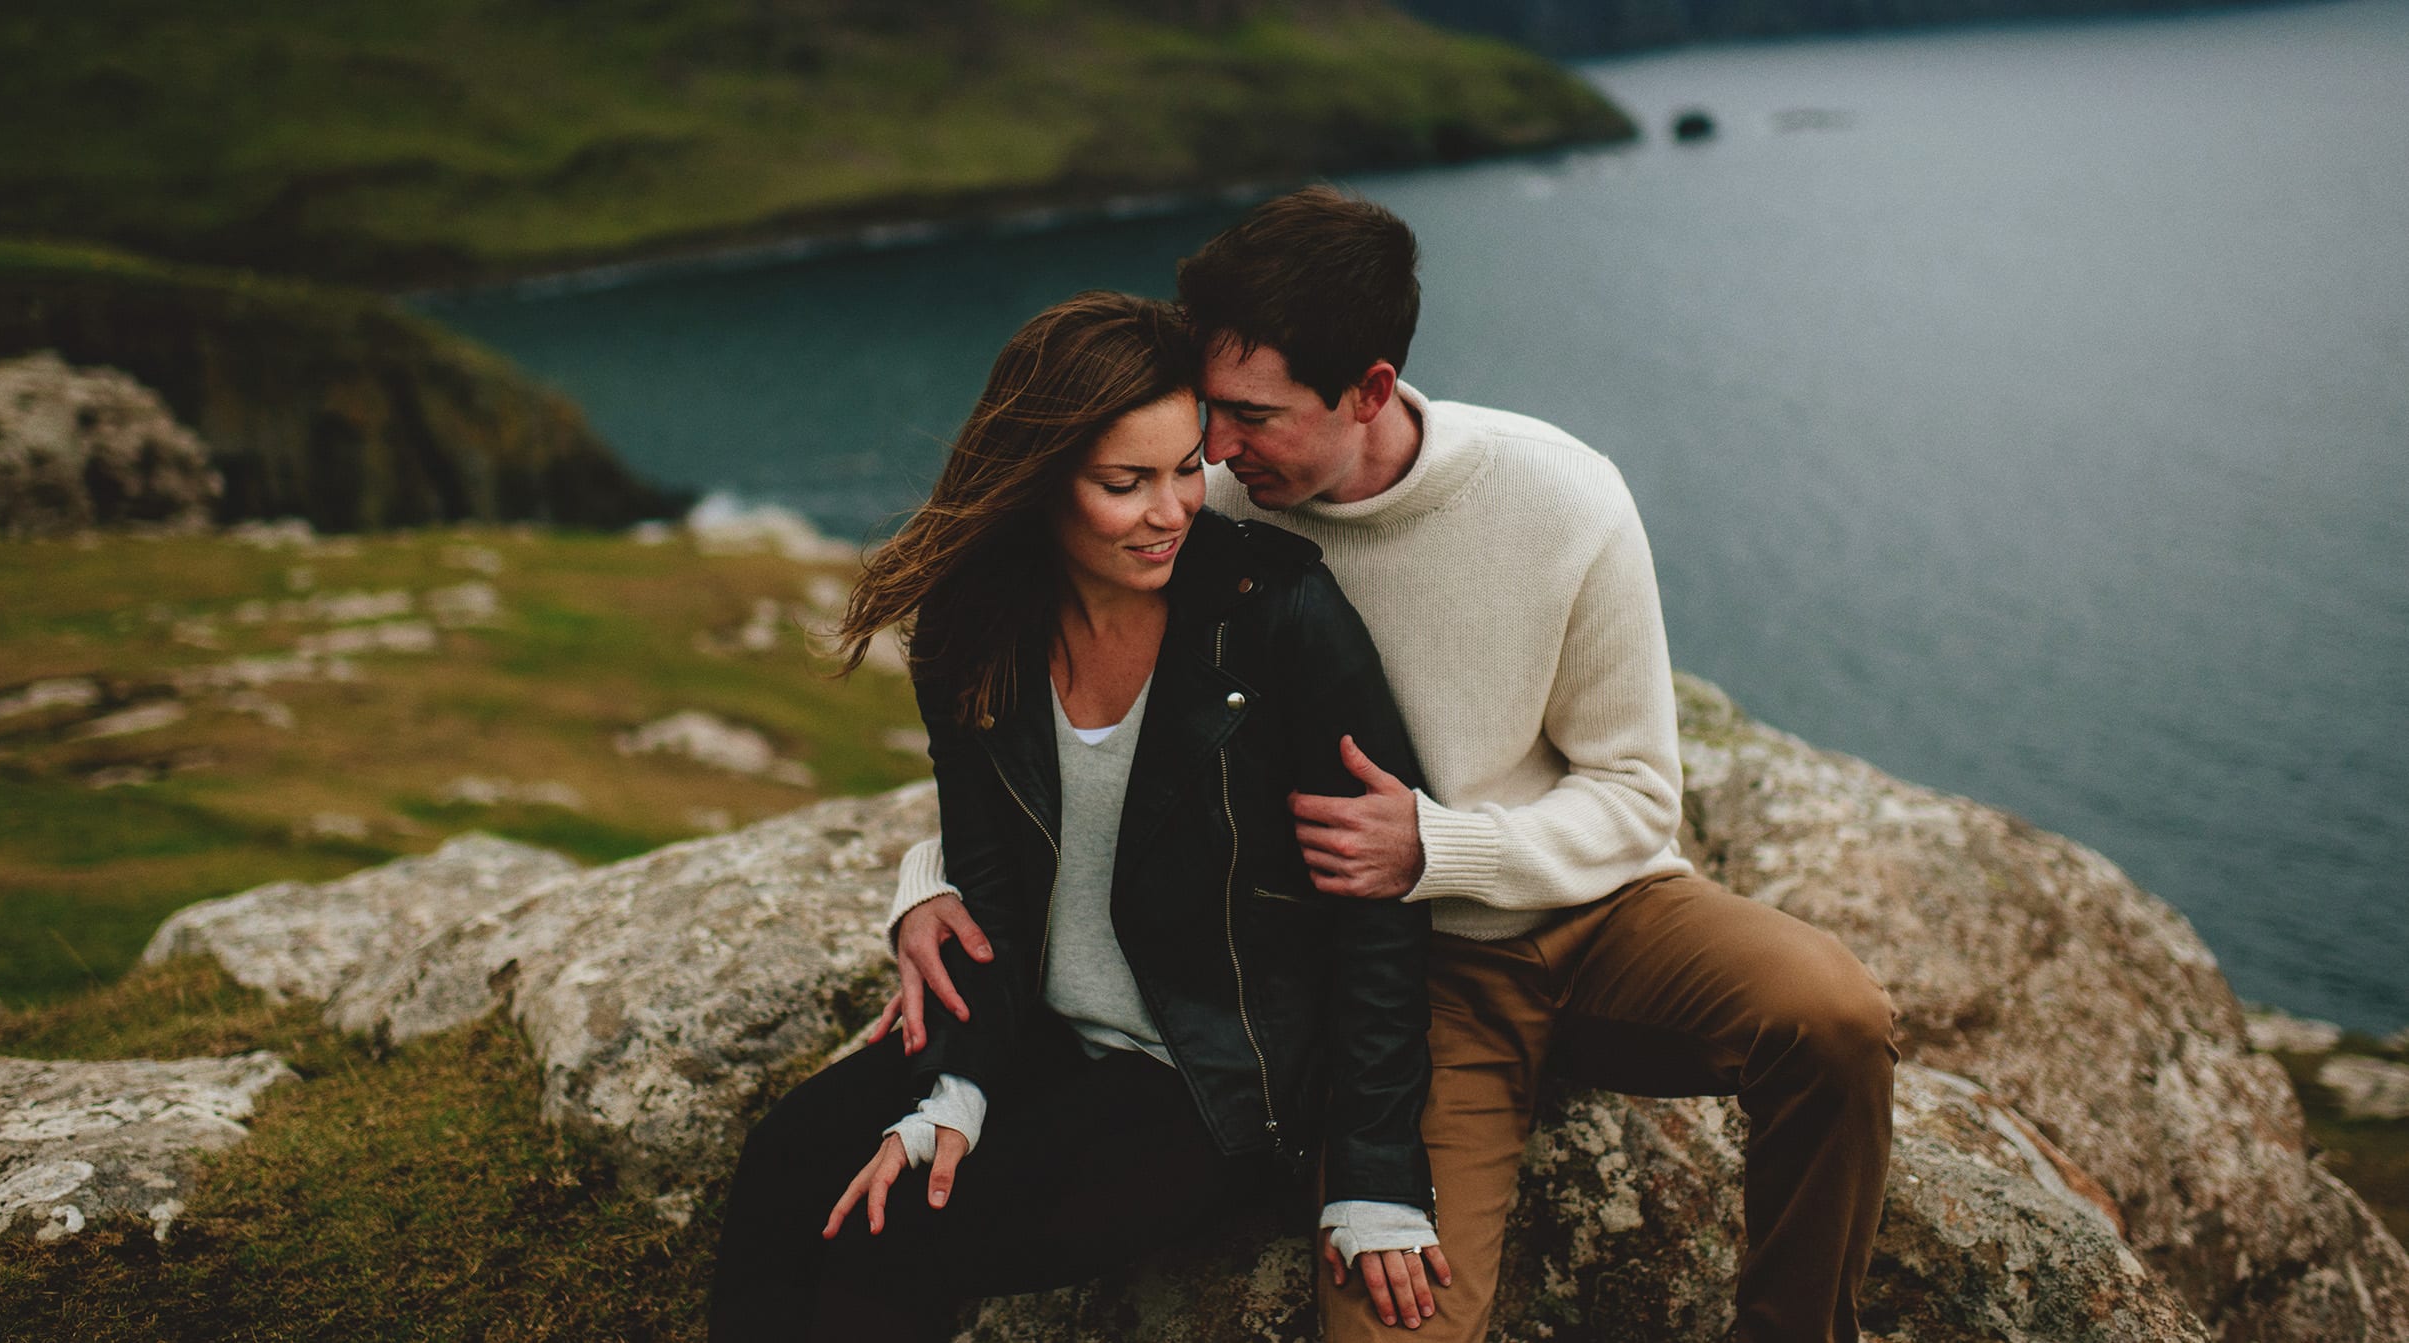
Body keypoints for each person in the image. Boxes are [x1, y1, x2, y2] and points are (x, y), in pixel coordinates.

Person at [882, 191, 1899, 1343]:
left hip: (1596, 914)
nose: (1212, 448)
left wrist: (1443, 845)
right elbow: (1068, 727)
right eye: (1208, 410)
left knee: (1834, 1014)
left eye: (1251, 415)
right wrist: (936, 876)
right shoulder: (1193, 506)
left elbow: (1636, 793)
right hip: (1408, 988)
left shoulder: (1559, 494)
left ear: (1367, 391)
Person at [707, 290, 1450, 1342]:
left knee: (895, 1230)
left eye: (1186, 465)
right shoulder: (973, 627)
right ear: (1039, 480)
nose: (1174, 509)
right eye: (1125, 482)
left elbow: (1380, 910)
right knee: (787, 1154)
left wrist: (1374, 1171)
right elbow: (990, 878)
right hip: (1038, 1033)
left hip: (1203, 1076)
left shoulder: (1277, 615)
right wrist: (955, 1086)